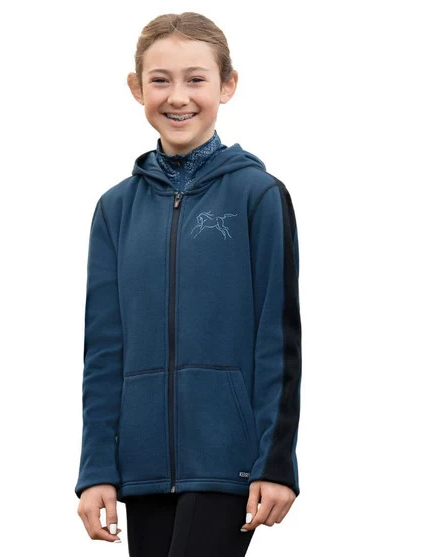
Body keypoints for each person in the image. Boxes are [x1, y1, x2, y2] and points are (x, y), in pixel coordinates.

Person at [75, 12, 302, 557]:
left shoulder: (258, 196)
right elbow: (103, 351)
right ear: (137, 88)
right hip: (142, 467)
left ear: (227, 84)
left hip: (229, 460)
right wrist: (96, 468)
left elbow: (278, 339)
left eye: (196, 79)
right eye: (160, 80)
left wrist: (276, 462)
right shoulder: (114, 210)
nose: (178, 97)